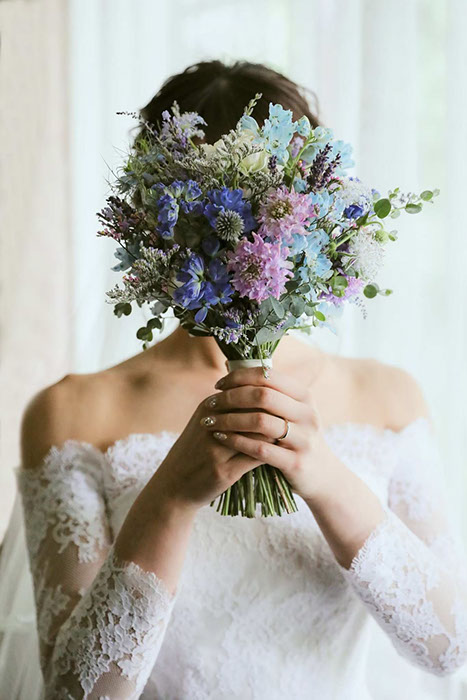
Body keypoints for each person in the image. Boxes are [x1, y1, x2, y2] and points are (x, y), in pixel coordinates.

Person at [1, 60, 467, 700]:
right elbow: (74, 694)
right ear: (155, 223)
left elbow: (449, 647)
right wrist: (169, 497)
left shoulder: (388, 399)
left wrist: (324, 474)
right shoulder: (74, 412)